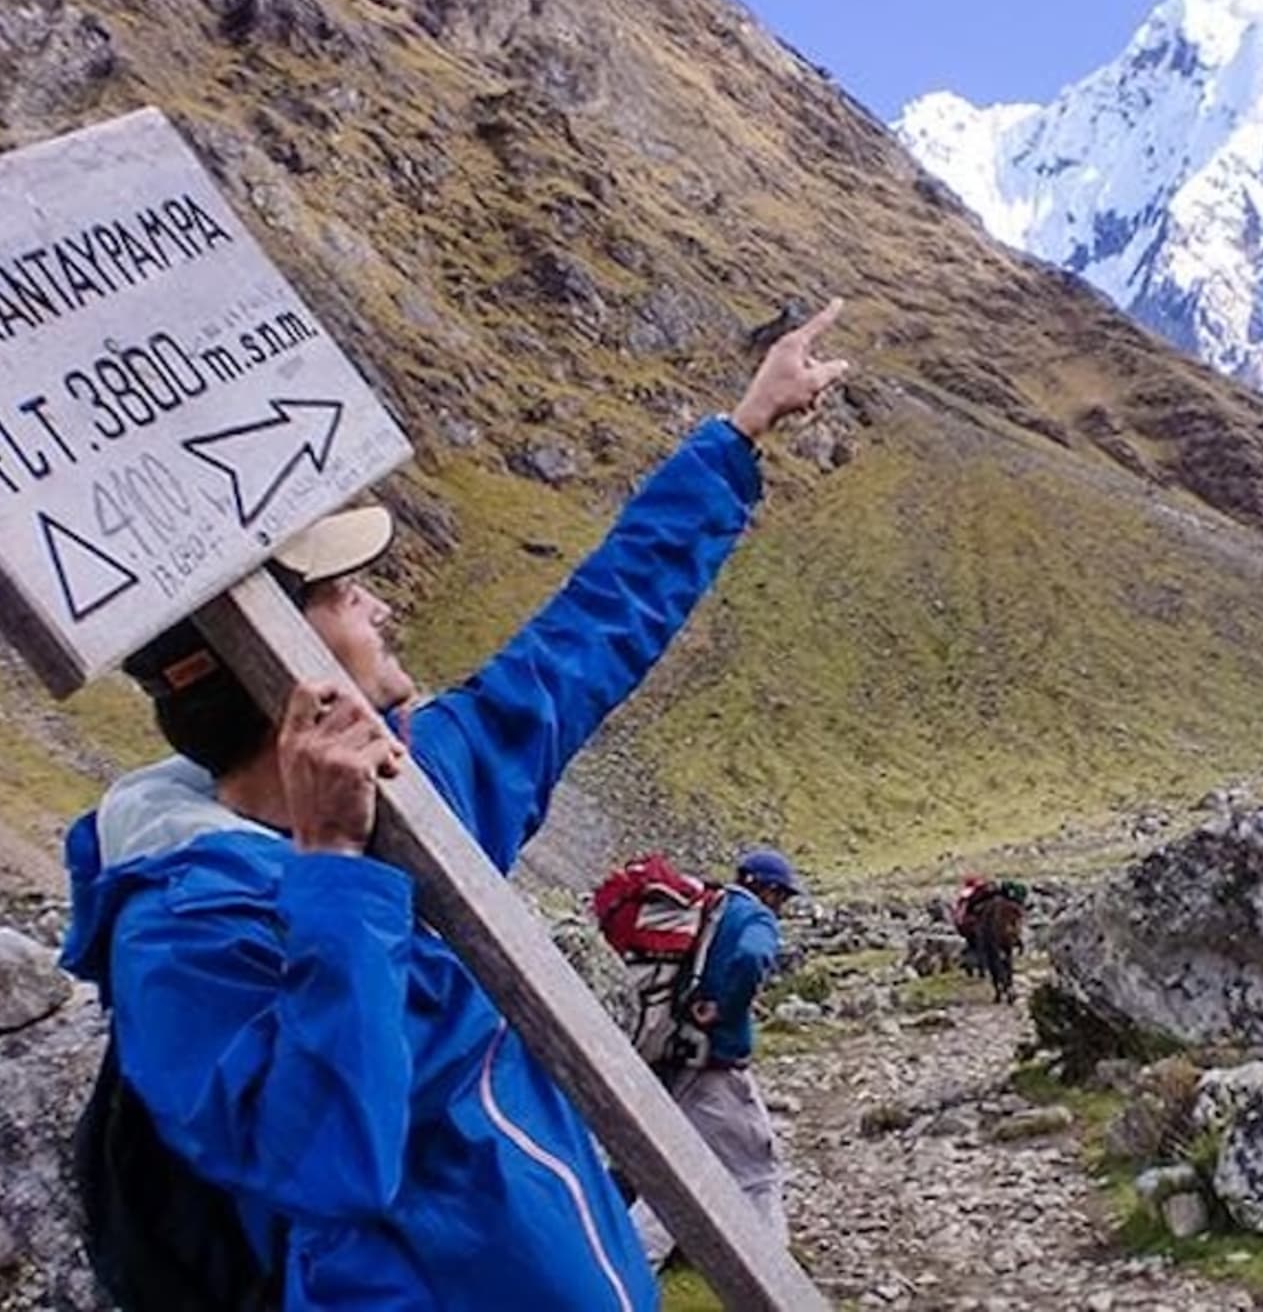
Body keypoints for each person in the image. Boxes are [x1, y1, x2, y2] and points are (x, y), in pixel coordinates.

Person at [58, 306, 850, 1311]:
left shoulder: (420, 792)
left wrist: (737, 434)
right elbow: (332, 1163)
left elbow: (580, 643)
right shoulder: (183, 935)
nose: (379, 605)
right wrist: (336, 875)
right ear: (270, 665)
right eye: (343, 594)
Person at [633, 847, 800, 1266]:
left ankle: (625, 1268)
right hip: (716, 1063)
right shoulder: (755, 917)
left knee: (674, 1172)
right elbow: (751, 957)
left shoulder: (710, 906)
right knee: (758, 1171)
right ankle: (775, 1276)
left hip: (674, 1052)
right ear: (767, 889)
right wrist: (722, 1005)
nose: (782, 906)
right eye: (782, 896)